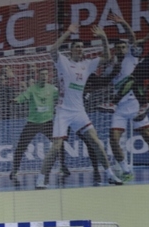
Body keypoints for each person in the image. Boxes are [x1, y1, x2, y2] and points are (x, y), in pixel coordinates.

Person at [36, 25, 122, 189]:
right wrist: (68, 32)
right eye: (77, 47)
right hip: (63, 111)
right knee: (56, 146)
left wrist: (103, 37)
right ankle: (41, 178)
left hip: (79, 111)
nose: (80, 49)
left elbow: (107, 57)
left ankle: (110, 174)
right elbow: (52, 50)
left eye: (82, 47)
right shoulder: (63, 62)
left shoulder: (88, 64)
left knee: (96, 141)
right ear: (71, 50)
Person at [97, 15, 149, 183]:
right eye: (119, 48)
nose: (122, 49)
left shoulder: (132, 56)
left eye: (123, 47)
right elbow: (103, 80)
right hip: (120, 109)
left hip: (136, 104)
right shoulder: (111, 66)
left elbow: (132, 38)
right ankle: (126, 169)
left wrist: (122, 22)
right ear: (115, 51)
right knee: (113, 140)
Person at [9, 69, 71, 189]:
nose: (44, 76)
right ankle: (15, 169)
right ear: (38, 76)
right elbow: (24, 96)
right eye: (42, 74)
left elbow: (62, 96)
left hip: (48, 122)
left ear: (48, 76)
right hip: (33, 123)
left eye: (46, 74)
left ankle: (63, 166)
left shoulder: (52, 89)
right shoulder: (32, 89)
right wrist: (17, 100)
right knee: (21, 146)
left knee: (59, 145)